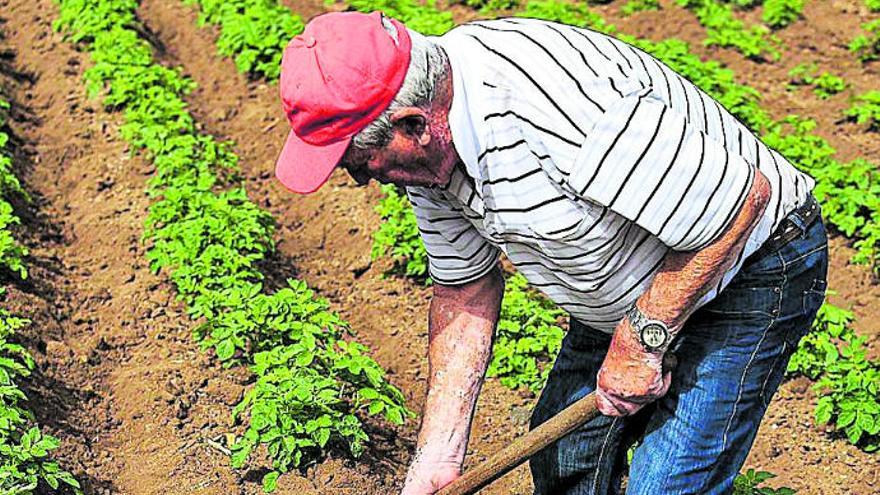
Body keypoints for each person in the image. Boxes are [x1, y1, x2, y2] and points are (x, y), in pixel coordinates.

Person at [274, 10, 828, 495]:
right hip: (631, 273)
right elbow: (465, 287)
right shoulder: (427, 157)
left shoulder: (553, 110)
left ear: (415, 125)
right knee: (567, 459)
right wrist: (438, 456)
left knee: (666, 484)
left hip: (749, 263)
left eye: (360, 162)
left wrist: (643, 339)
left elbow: (739, 199)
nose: (365, 181)